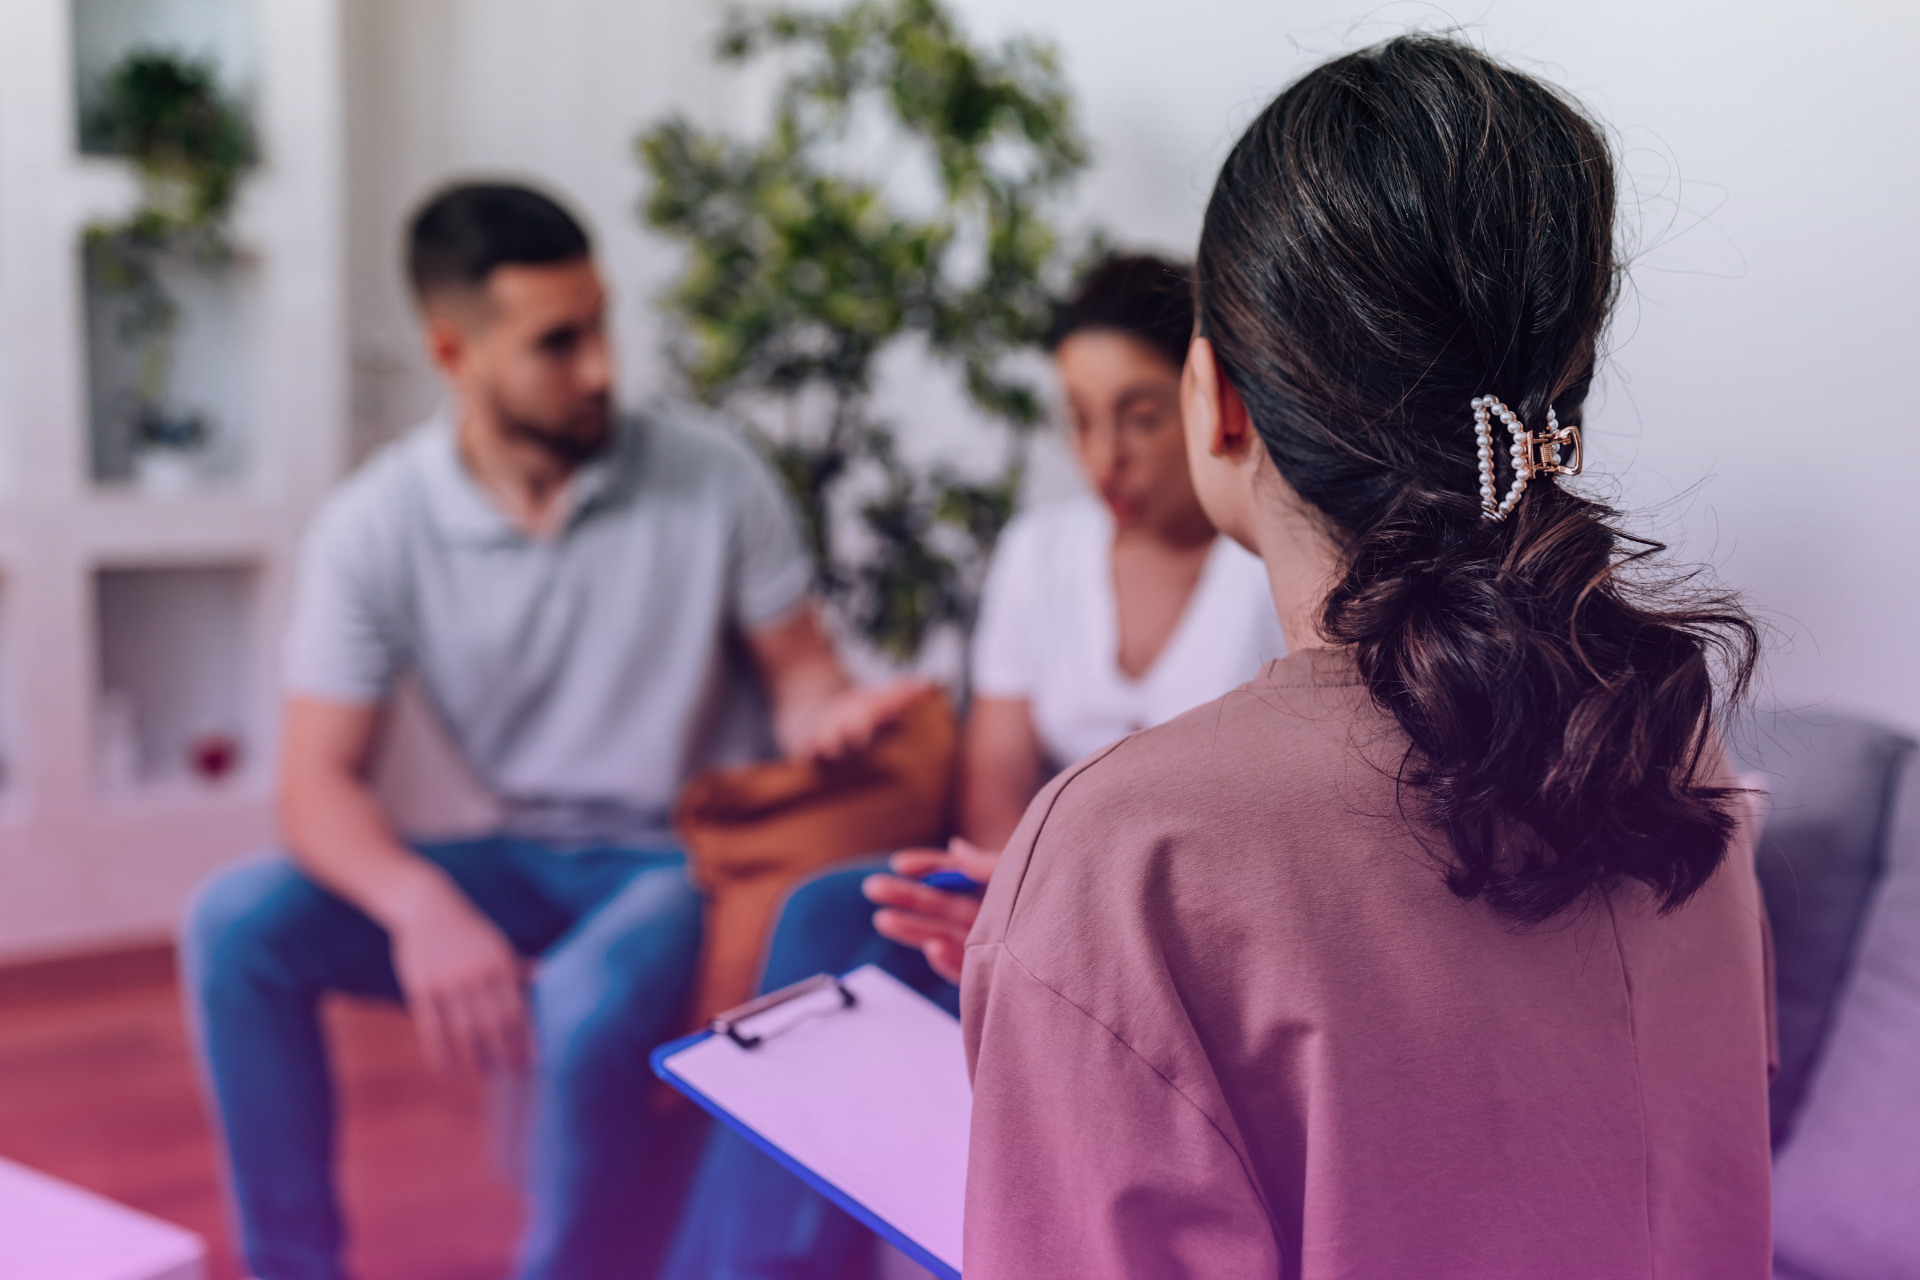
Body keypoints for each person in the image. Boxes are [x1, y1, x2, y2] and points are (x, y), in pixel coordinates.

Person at [952, 37, 1775, 1279]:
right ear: (1562, 406)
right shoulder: (1668, 746)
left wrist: (1080, 975)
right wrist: (1087, 1013)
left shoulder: (1126, 861)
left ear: (1217, 402)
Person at [181, 182, 917, 1280]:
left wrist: (834, 715)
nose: (602, 368)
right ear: (452, 350)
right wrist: (419, 903)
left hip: (687, 855)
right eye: (556, 342)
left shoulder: (713, 474)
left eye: (600, 324)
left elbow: (803, 676)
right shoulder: (374, 526)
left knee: (585, 995)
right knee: (235, 922)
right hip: (525, 855)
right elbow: (318, 783)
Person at [660, 254, 1285, 1279]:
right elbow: (993, 779)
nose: (1105, 455)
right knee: (836, 905)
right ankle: (753, 1260)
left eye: (1135, 414)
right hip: (1031, 878)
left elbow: (1256, 818)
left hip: (1168, 911)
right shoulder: (1044, 550)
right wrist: (1016, 912)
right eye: (1078, 418)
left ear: (1208, 398)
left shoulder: (1264, 566)